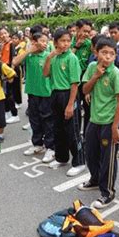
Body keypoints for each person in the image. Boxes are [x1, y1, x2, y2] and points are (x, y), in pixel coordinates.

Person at [79, 37, 119, 209]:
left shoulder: (116, 74)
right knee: (90, 152)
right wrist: (96, 76)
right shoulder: (92, 68)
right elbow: (85, 90)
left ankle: (108, 192)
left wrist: (115, 127)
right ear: (96, 53)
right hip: (94, 119)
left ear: (115, 56)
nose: (107, 57)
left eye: (111, 54)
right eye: (104, 52)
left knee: (108, 159)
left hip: (109, 121)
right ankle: (95, 179)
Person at [43, 28, 86, 176]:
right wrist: (49, 57)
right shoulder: (54, 57)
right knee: (58, 128)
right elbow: (46, 73)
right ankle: (61, 157)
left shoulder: (71, 58)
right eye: (62, 41)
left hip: (68, 94)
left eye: (68, 41)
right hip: (55, 94)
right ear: (55, 42)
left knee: (72, 130)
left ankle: (79, 161)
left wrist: (70, 105)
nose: (66, 44)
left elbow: (75, 83)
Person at [12, 30, 55, 164]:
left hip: (47, 93)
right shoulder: (28, 56)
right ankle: (37, 144)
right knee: (34, 120)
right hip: (32, 92)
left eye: (46, 41)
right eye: (42, 41)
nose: (45, 44)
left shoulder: (49, 55)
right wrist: (29, 51)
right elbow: (15, 62)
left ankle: (50, 147)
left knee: (47, 121)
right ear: (34, 42)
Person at [71, 19, 93, 133]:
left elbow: (91, 65)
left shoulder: (90, 45)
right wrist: (76, 46)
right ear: (77, 29)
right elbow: (66, 59)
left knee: (88, 107)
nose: (86, 34)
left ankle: (87, 134)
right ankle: (76, 133)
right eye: (84, 31)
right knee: (75, 108)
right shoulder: (68, 41)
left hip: (85, 78)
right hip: (72, 80)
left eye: (88, 32)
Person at [0, 27, 20, 124]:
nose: (4, 35)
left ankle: (15, 114)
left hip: (10, 70)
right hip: (4, 70)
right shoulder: (3, 45)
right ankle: (7, 112)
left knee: (10, 94)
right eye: (1, 34)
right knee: (5, 94)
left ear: (8, 33)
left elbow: (14, 60)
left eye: (5, 33)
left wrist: (11, 73)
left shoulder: (11, 45)